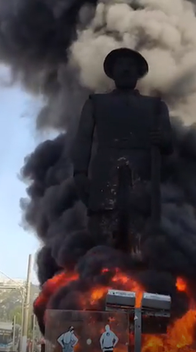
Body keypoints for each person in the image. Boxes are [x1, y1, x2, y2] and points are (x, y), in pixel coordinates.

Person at [70, 48, 174, 255]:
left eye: (131, 65)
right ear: (112, 72)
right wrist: (80, 172)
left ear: (138, 72)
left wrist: (163, 140)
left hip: (143, 180)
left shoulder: (156, 106)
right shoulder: (96, 103)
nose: (126, 69)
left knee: (142, 240)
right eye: (121, 65)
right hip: (105, 176)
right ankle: (103, 267)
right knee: (104, 235)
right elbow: (83, 139)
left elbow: (169, 145)